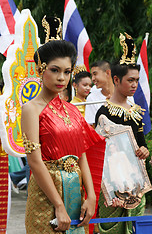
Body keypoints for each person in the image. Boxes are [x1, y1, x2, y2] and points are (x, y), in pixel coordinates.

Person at [21, 16, 105, 233]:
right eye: (55, 70)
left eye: (67, 72)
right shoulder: (31, 109)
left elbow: (82, 155)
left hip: (75, 190)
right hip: (46, 194)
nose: (62, 78)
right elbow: (35, 162)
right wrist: (58, 205)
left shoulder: (73, 110)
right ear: (41, 69)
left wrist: (91, 196)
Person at [95, 32, 149, 234]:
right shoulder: (104, 112)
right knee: (111, 228)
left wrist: (144, 151)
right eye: (130, 80)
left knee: (135, 227)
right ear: (116, 79)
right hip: (111, 181)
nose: (134, 85)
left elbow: (142, 144)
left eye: (137, 80)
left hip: (135, 181)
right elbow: (100, 152)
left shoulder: (136, 112)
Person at [85, 60, 114, 126]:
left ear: (107, 73)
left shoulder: (124, 93)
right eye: (91, 75)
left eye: (95, 74)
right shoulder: (92, 98)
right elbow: (92, 127)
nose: (93, 79)